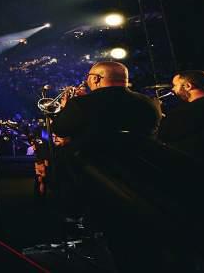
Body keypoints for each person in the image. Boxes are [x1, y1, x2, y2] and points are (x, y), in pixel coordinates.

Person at [52, 61, 162, 272]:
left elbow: (61, 129)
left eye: (89, 77)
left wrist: (67, 107)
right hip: (141, 176)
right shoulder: (148, 103)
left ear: (96, 78)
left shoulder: (81, 104)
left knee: (114, 238)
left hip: (95, 177)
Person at [159, 70, 204, 164]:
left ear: (188, 86)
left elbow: (163, 137)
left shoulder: (183, 113)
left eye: (175, 85)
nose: (173, 89)